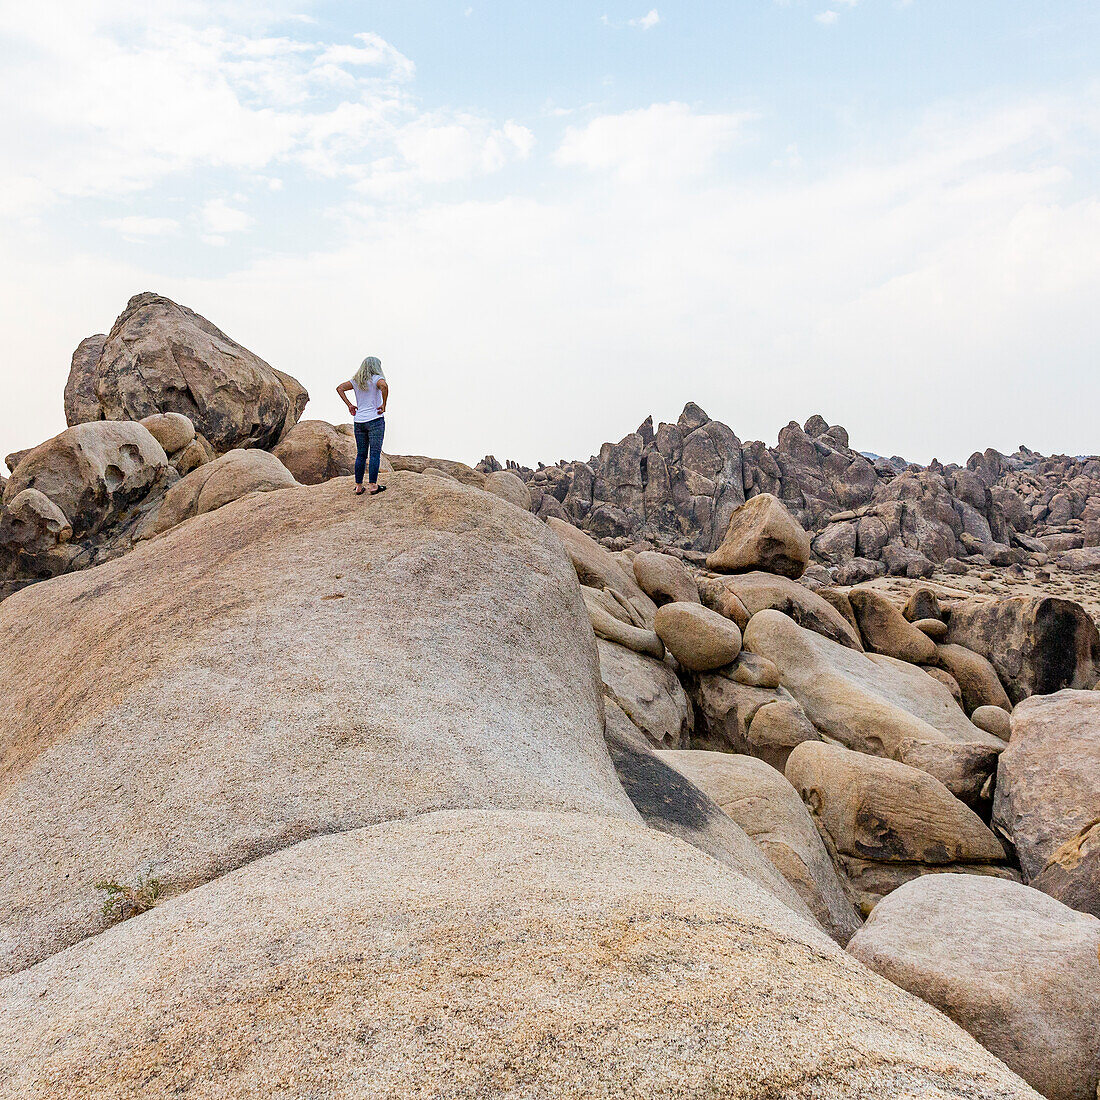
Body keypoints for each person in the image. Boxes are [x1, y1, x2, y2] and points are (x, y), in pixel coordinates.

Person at [337, 357, 389, 495]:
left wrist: (350, 405)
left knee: (361, 454)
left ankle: (359, 486)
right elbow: (384, 386)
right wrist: (384, 404)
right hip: (375, 420)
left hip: (359, 421)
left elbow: (340, 388)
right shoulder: (376, 378)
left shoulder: (356, 381)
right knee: (374, 453)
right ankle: (373, 485)